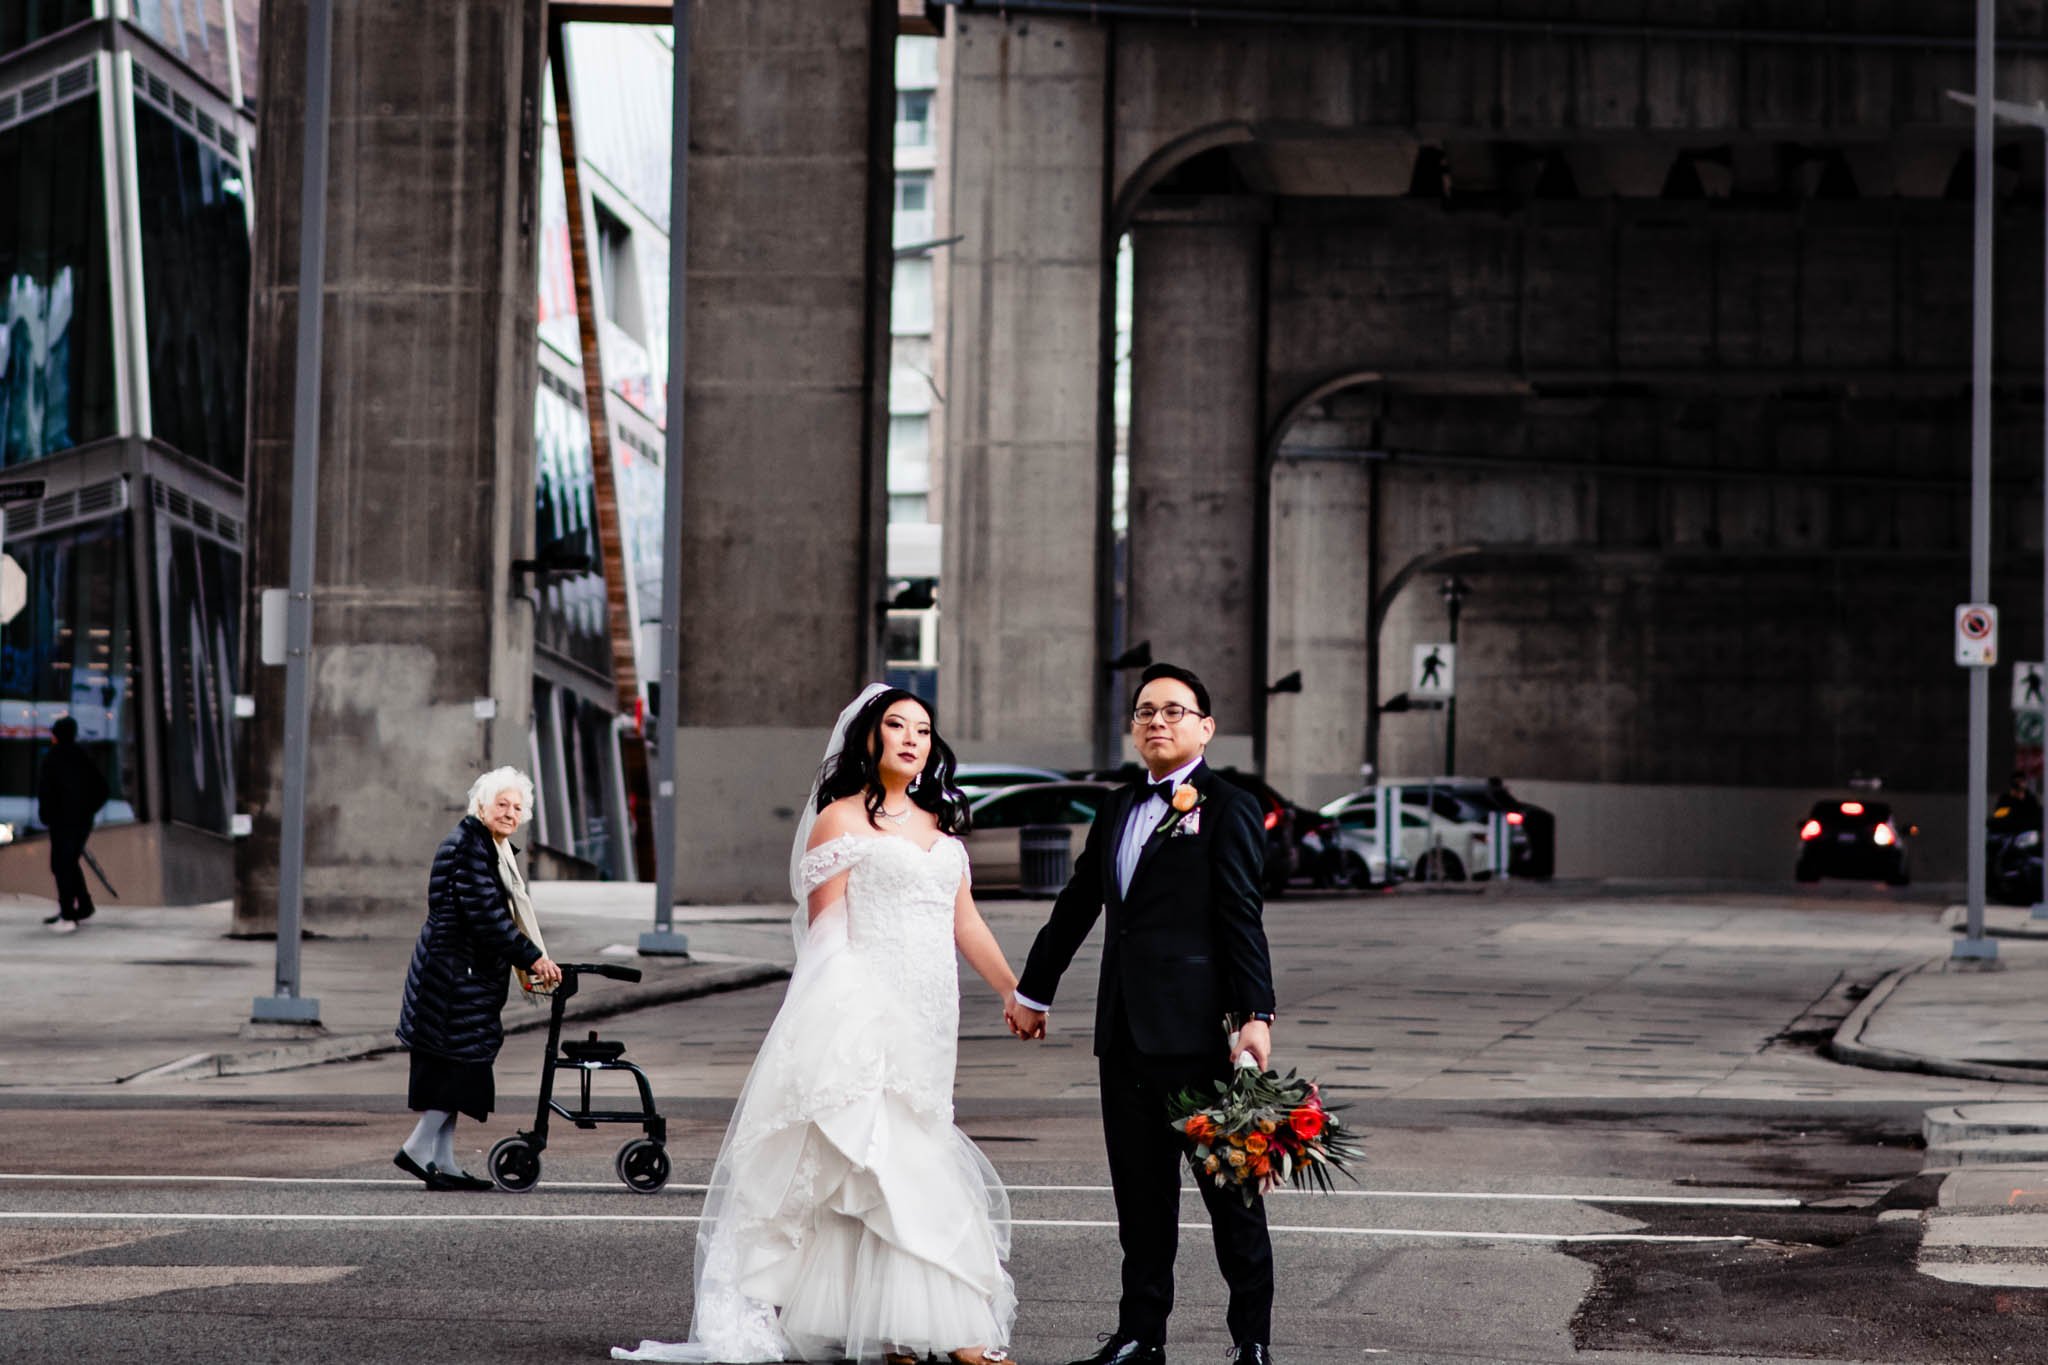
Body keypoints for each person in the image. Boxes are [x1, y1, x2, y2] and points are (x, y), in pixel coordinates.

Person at [616, 686, 1020, 1365]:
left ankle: (896, 1327)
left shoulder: (939, 828)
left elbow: (965, 921)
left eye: (923, 728)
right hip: (863, 1006)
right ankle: (956, 1331)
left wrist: (1013, 987)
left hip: (931, 1015)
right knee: (884, 1157)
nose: (911, 738)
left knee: (897, 1153)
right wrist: (834, 1019)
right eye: (896, 725)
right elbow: (825, 928)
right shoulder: (838, 820)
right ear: (869, 738)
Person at [1006, 662, 1279, 1365]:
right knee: (1142, 1203)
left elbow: (1240, 915)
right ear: (1133, 727)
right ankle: (1139, 1336)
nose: (1158, 720)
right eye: (1146, 711)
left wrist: (1255, 1013)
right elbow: (1078, 905)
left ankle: (1250, 1341)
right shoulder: (1119, 805)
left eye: (1174, 710)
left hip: (1201, 1039)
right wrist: (1035, 989)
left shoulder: (1227, 806)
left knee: (1233, 1199)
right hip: (1123, 1037)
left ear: (1205, 727)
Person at [394, 767, 561, 1191]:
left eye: (517, 807)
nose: (509, 812)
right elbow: (486, 917)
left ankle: (445, 1162)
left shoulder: (489, 847)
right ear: (481, 806)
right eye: (501, 804)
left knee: (459, 1066)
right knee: (458, 1070)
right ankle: (417, 1149)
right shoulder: (470, 847)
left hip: (461, 975)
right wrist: (533, 957)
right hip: (453, 977)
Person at [39, 716, 109, 934]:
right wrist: (88, 810)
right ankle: (82, 906)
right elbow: (101, 789)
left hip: (62, 821)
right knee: (69, 862)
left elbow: (47, 792)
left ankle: (69, 913)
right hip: (79, 821)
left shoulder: (53, 758)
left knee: (62, 864)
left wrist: (48, 815)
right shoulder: (82, 756)